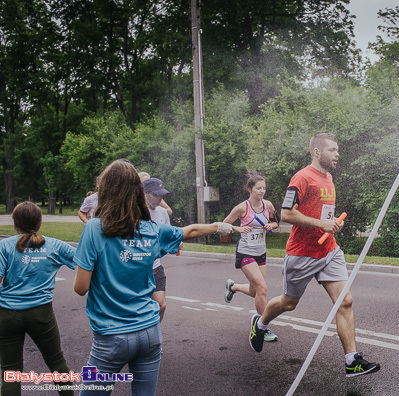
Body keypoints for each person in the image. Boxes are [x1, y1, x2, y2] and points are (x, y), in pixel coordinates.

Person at [73, 159, 233, 395]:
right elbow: (188, 231)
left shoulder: (94, 228)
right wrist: (218, 226)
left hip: (111, 336)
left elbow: (80, 287)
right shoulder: (151, 230)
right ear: (138, 192)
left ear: (106, 190)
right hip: (149, 333)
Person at [248, 133, 381, 378]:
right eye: (332, 150)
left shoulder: (329, 177)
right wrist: (320, 222)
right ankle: (261, 323)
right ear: (317, 153)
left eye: (337, 149)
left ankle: (352, 360)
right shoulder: (301, 177)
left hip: (329, 249)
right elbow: (286, 214)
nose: (337, 154)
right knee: (289, 303)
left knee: (345, 301)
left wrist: (330, 224)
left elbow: (324, 217)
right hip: (302, 254)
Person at [0, 201, 77, 395]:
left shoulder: (4, 246)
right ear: (39, 222)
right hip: (41, 314)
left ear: (15, 224)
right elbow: (84, 263)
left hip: (7, 314)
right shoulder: (55, 245)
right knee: (57, 363)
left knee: (10, 371)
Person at [223, 171, 279, 342]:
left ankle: (233, 287)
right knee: (262, 288)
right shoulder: (242, 208)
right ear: (249, 189)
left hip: (260, 252)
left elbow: (276, 222)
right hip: (245, 252)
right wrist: (238, 229)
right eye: (258, 188)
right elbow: (223, 225)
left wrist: (271, 226)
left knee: (256, 291)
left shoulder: (267, 205)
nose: (262, 191)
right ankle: (262, 327)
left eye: (264, 188)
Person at [143, 177, 172, 322]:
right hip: (138, 269)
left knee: (161, 305)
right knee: (140, 307)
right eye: (156, 194)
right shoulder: (135, 213)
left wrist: (174, 244)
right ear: (145, 194)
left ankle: (153, 333)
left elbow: (169, 236)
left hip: (156, 267)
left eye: (162, 194)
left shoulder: (163, 213)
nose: (160, 198)